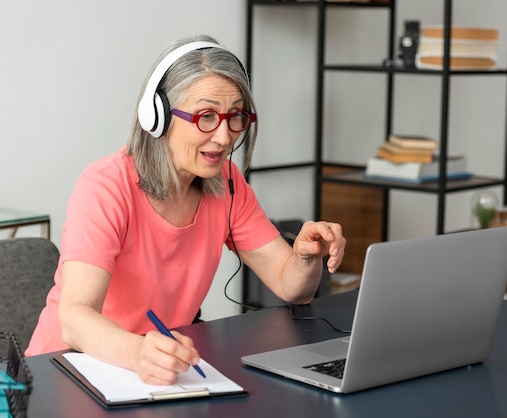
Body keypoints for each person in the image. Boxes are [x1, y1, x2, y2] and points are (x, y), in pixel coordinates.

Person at [26, 34, 346, 385]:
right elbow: (74, 318)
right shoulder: (105, 187)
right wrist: (137, 352)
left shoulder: (227, 182)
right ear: (158, 117)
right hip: (65, 372)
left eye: (235, 116)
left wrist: (304, 257)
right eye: (206, 116)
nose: (224, 137)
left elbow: (292, 287)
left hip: (157, 374)